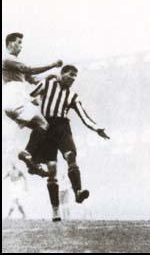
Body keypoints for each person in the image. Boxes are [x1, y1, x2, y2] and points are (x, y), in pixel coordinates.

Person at [21, 64, 110, 221]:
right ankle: (55, 211)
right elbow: (28, 97)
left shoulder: (73, 96)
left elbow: (84, 115)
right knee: (52, 168)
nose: (73, 78)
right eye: (70, 74)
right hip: (45, 126)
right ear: (62, 74)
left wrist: (97, 128)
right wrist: (30, 108)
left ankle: (78, 192)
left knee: (71, 156)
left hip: (62, 128)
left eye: (75, 76)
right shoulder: (47, 84)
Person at [2, 32, 63, 131]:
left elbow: (32, 79)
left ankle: (39, 146)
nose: (21, 46)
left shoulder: (15, 62)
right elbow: (30, 70)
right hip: (14, 98)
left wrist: (49, 77)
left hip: (15, 98)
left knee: (42, 129)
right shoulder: (8, 58)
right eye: (19, 42)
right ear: (10, 43)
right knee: (44, 126)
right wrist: (52, 65)